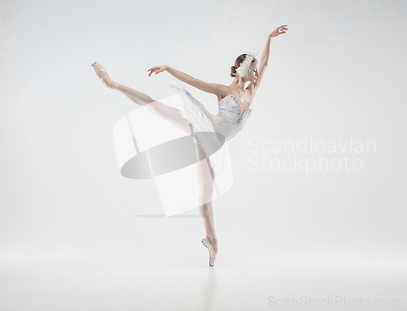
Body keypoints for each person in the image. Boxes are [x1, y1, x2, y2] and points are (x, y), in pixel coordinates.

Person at [91, 24, 288, 266]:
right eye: (254, 70)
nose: (257, 74)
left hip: (215, 146)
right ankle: (112, 84)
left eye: (257, 71)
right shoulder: (223, 90)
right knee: (155, 107)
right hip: (204, 127)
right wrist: (169, 68)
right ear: (244, 70)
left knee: (205, 194)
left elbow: (266, 63)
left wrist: (269, 38)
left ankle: (212, 240)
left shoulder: (253, 91)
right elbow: (193, 81)